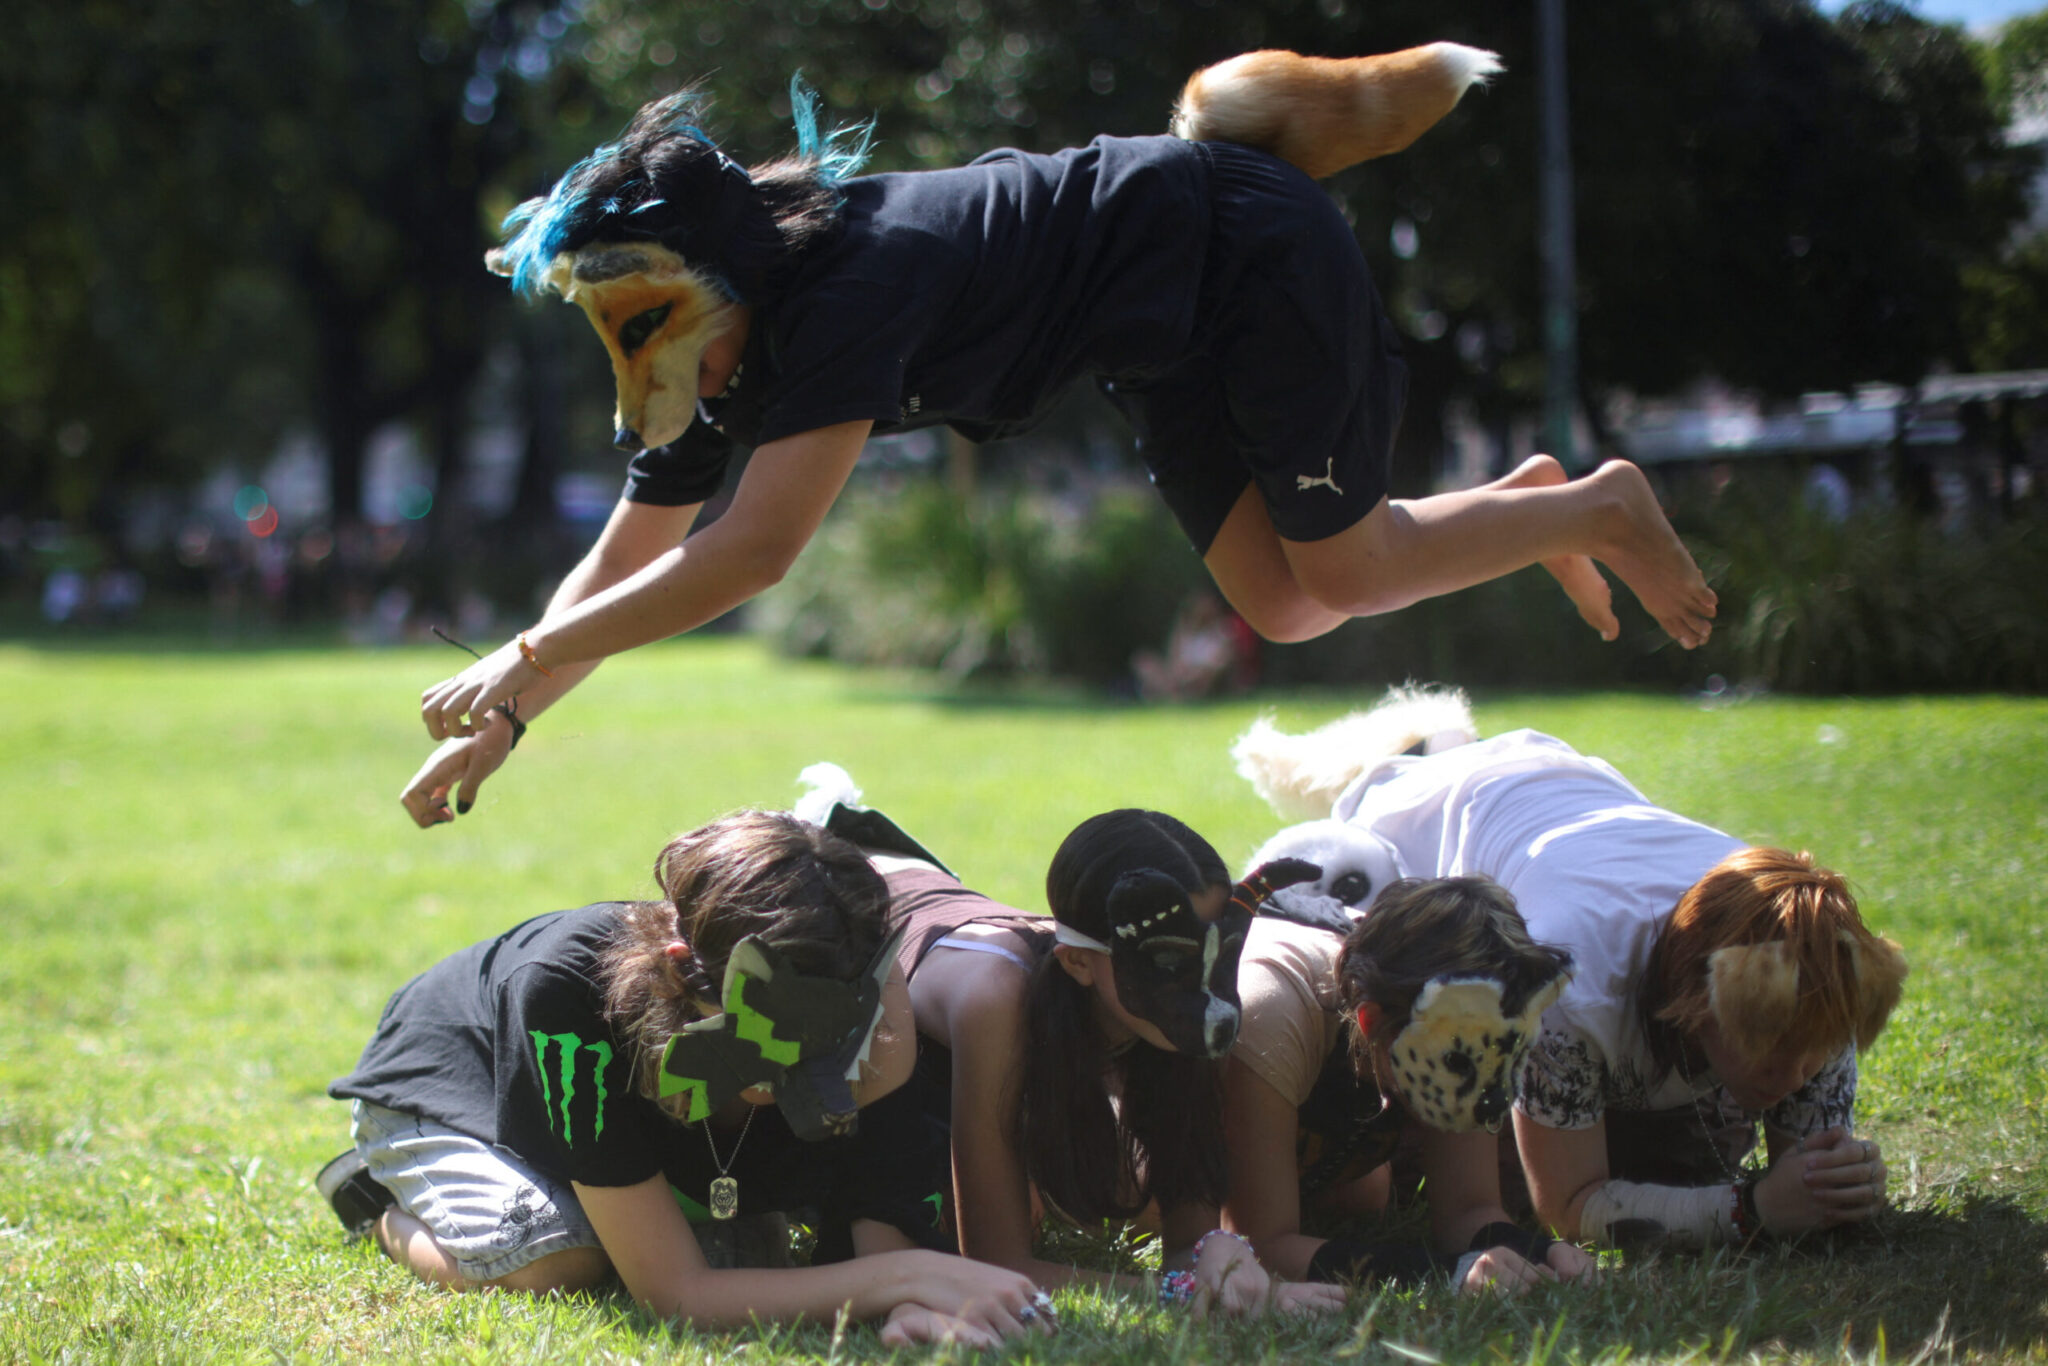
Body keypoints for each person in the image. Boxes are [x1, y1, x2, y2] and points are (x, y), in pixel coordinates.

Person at [400, 46, 1718, 828]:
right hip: (1156, 337)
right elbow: (628, 557)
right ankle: (1533, 505)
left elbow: (751, 553)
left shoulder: (843, 292)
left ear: (716, 281)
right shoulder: (732, 358)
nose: (643, 367)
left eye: (648, 321)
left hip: (1241, 251)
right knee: (1291, 602)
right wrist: (507, 715)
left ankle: (1596, 503)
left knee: (1349, 568)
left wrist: (527, 656)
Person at [317, 810, 1052, 1348]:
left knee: (754, 1261)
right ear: (680, 967)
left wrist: (911, 1304)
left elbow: (875, 1230)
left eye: (829, 1047)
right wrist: (907, 1277)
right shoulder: (565, 995)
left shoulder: (874, 1005)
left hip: (652, 1140)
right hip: (452, 1094)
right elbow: (673, 1295)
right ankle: (378, 1207)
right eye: (770, 1042)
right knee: (561, 1259)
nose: (800, 1074)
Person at [1235, 699, 1910, 1253]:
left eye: (1818, 1049)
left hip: (1566, 794)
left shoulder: (1816, 971)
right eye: (1775, 1047)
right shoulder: (1566, 986)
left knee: (1692, 1152)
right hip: (1428, 815)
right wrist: (1752, 1210)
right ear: (1700, 998)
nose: (1799, 1072)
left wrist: (1831, 1185)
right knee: (1483, 1147)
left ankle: (1437, 740)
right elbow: (1565, 1204)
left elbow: (1807, 1182)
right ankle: (1425, 748)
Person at [795, 773, 1344, 1316]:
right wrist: (1178, 1294)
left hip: (942, 906)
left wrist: (1220, 1263)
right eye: (1169, 961)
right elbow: (996, 1263)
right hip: (851, 889)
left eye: (1218, 953)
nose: (1207, 993)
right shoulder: (997, 1000)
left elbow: (1188, 1243)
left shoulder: (1165, 1011)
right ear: (1078, 961)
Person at [1223, 872, 1594, 1292]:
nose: (1486, 1088)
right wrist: (1448, 1273)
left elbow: (1469, 1211)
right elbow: (1259, 1247)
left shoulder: (1452, 1008)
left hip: (1333, 1065)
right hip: (1268, 1030)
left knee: (1364, 1197)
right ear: (1372, 1021)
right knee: (1358, 1193)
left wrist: (1540, 1252)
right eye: (1458, 1058)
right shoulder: (1270, 1011)